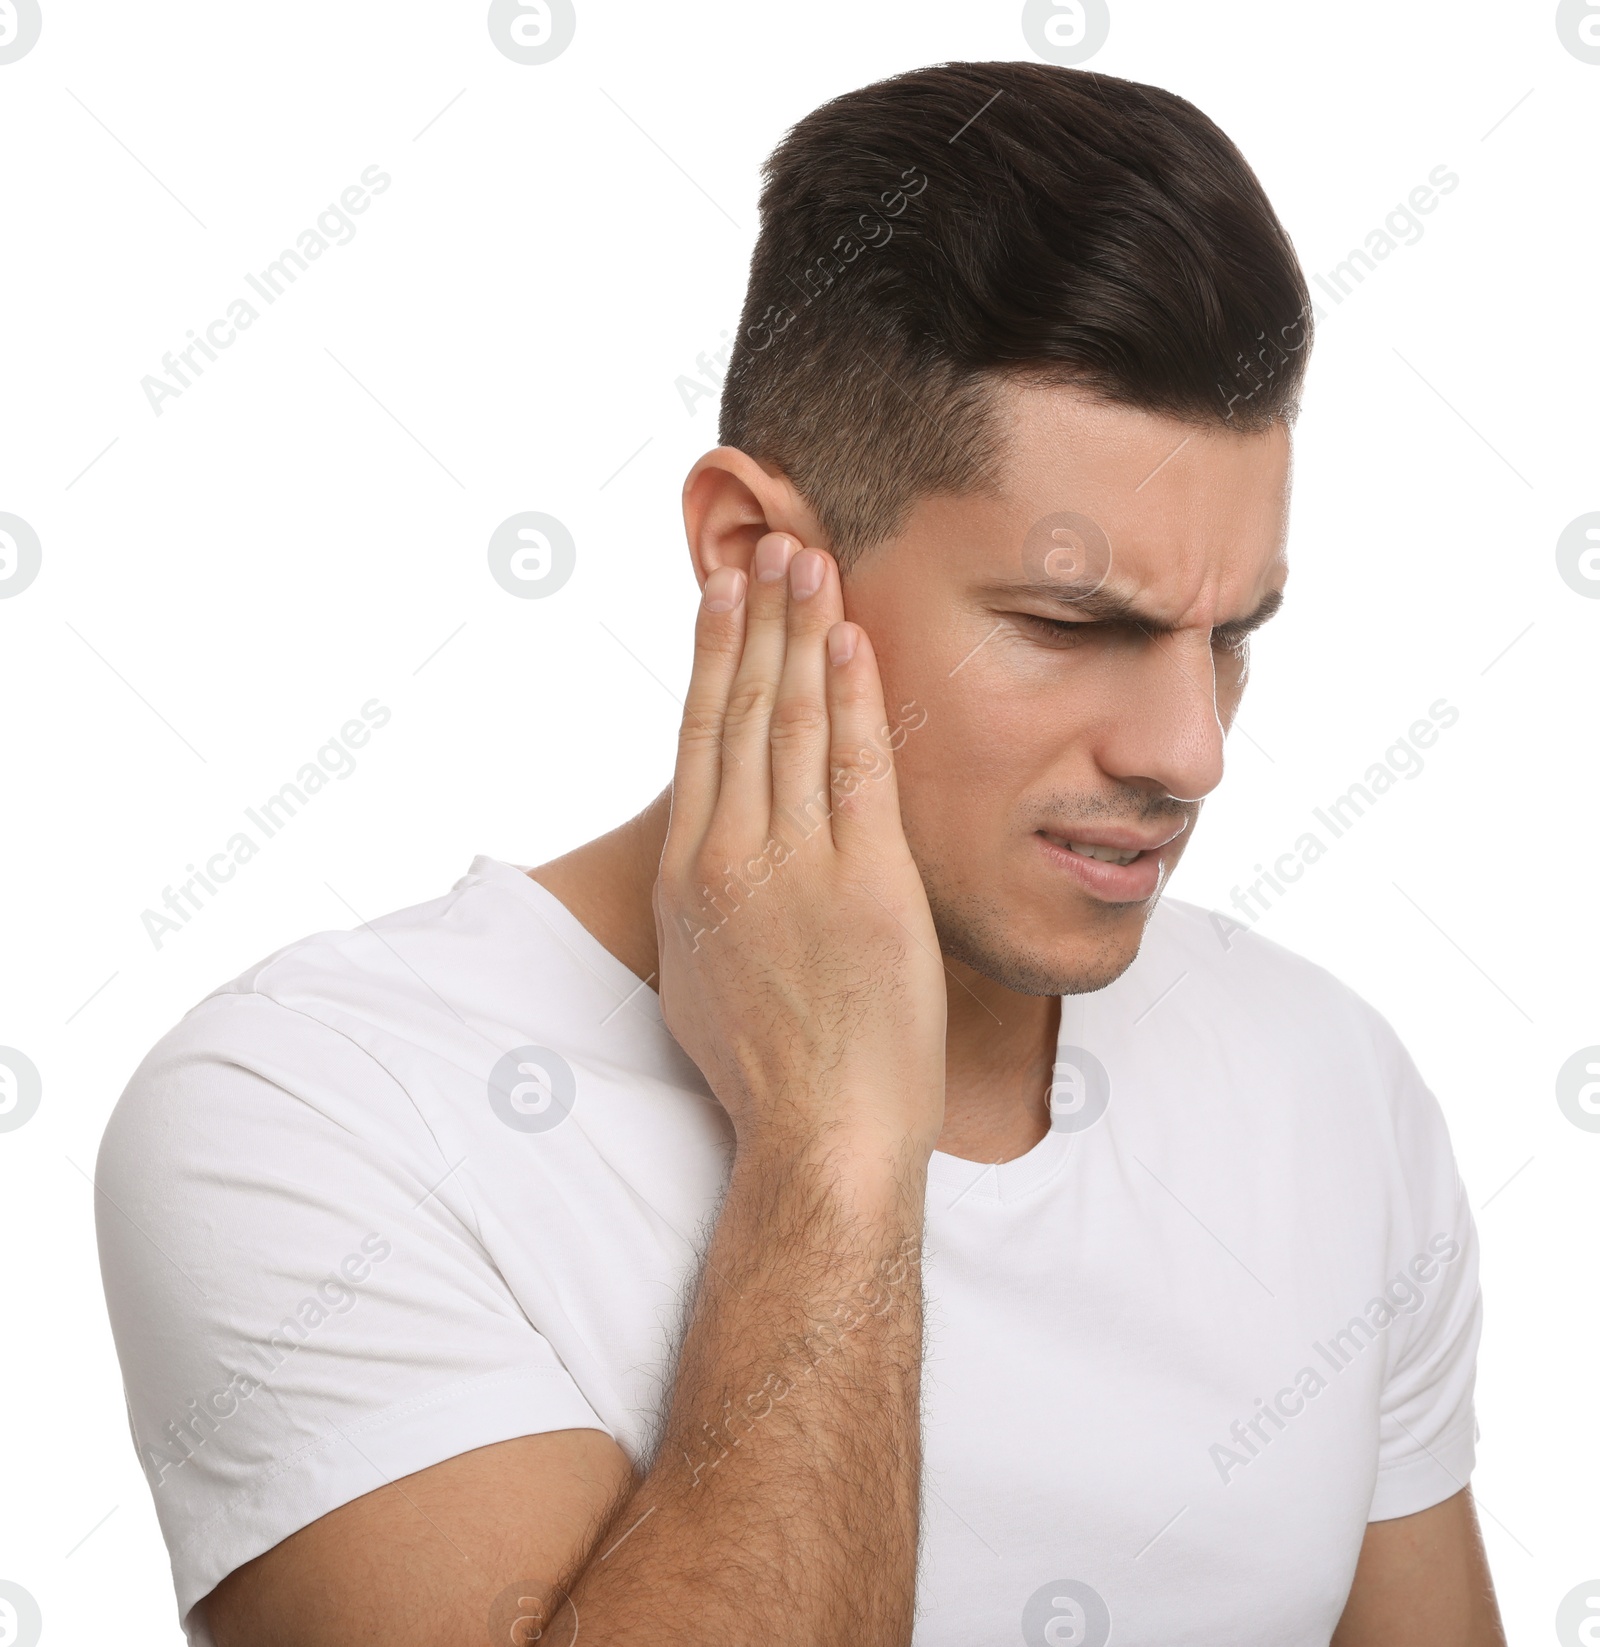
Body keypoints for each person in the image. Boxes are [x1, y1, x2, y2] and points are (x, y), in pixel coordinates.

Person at [96, 59, 1503, 1646]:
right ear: (760, 560)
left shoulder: (1330, 1083)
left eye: (1229, 634)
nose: (1192, 751)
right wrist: (832, 1143)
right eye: (1069, 623)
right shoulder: (315, 1117)